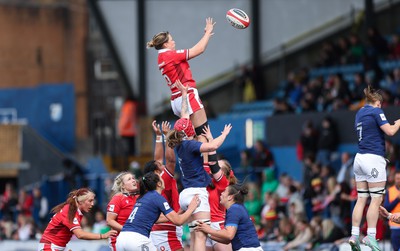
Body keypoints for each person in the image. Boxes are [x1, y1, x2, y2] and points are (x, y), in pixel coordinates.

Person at [166, 80, 232, 251]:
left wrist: (184, 94)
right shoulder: (190, 145)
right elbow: (212, 147)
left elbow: (184, 115)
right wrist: (223, 135)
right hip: (197, 193)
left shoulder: (179, 143)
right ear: (190, 132)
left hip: (185, 195)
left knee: (195, 236)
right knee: (201, 237)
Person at [348, 85, 400, 251]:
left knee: (361, 199)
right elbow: (390, 131)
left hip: (359, 158)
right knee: (376, 199)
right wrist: (398, 123)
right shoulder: (377, 111)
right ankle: (371, 236)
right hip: (373, 158)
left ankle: (354, 235)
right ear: (377, 102)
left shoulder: (359, 113)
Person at [146, 17, 215, 137]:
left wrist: (206, 36)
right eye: (172, 40)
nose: (174, 42)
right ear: (166, 44)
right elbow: (199, 50)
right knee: (205, 136)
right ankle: (210, 156)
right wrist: (208, 32)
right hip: (187, 96)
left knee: (191, 139)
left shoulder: (160, 58)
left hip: (176, 100)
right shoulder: (170, 55)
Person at [116, 172, 200, 251]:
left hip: (121, 240)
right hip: (137, 239)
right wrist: (191, 208)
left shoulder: (142, 198)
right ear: (159, 183)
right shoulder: (156, 197)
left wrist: (177, 214)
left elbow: (155, 219)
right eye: (161, 178)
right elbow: (178, 221)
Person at [143, 120, 183, 251]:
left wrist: (159, 136)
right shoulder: (162, 178)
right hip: (166, 229)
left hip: (160, 228)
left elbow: (158, 159)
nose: (162, 164)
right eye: (160, 166)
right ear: (156, 171)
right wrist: (167, 137)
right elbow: (171, 160)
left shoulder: (153, 178)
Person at [38, 188, 117, 251]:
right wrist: (103, 235)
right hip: (49, 247)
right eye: (90, 201)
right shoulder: (70, 212)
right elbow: (80, 234)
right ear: (80, 201)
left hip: (58, 246)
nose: (92, 204)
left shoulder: (74, 211)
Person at [195, 184, 263, 251]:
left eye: (224, 191)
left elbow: (229, 235)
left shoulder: (234, 209)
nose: (221, 193)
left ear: (230, 197)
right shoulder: (237, 208)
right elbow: (227, 240)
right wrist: (208, 234)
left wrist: (209, 230)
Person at [205, 158, 238, 251]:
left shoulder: (223, 184)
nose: (212, 167)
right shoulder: (209, 182)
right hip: (205, 224)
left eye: (217, 167)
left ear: (222, 172)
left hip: (217, 225)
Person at [106, 172, 139, 251]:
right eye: (129, 179)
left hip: (136, 239)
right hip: (119, 240)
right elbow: (109, 221)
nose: (133, 180)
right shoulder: (118, 198)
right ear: (123, 186)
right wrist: (127, 229)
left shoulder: (139, 198)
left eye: (133, 178)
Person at [383, 170, 400, 251]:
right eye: (397, 178)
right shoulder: (390, 190)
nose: (399, 180)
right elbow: (386, 207)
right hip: (395, 225)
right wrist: (397, 199)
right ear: (395, 179)